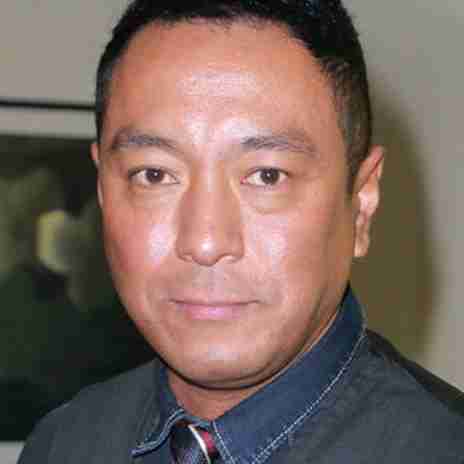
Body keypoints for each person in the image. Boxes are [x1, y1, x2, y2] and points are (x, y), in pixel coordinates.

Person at [18, 0, 464, 462]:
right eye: (154, 175)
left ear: (362, 203)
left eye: (267, 176)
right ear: (103, 191)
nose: (205, 243)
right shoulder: (64, 445)